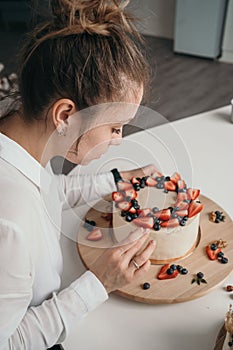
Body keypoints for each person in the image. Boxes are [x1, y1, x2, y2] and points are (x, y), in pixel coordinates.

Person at [0, 0, 158, 349]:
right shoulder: (9, 221)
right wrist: (99, 283)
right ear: (65, 115)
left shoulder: (19, 145)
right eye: (115, 127)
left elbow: (48, 191)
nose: (118, 140)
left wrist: (115, 180)